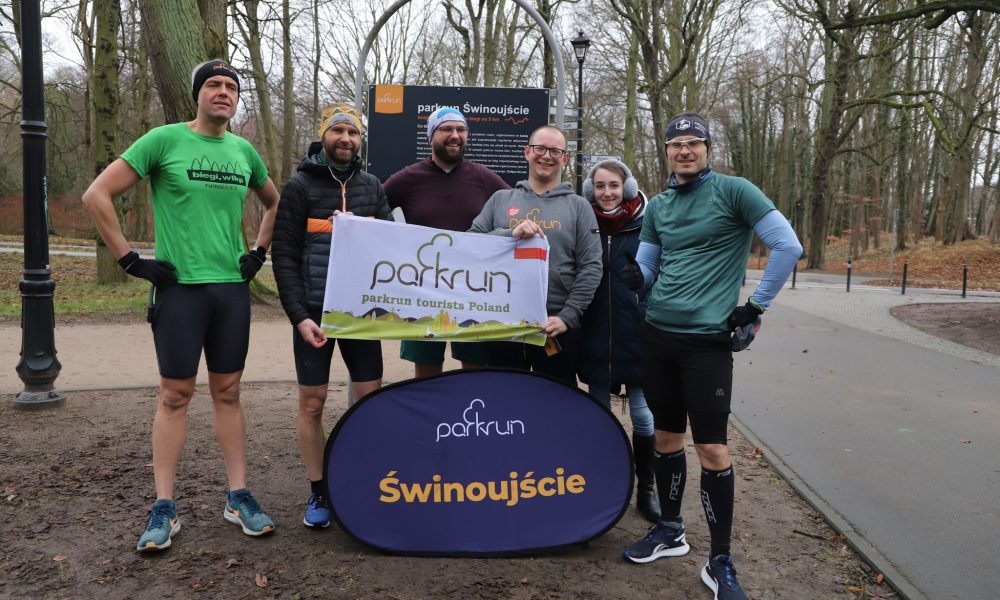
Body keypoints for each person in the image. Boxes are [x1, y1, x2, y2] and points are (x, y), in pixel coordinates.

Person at [82, 59, 280, 551]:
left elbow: (275, 202)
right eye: (213, 84)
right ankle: (164, 507)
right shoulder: (163, 140)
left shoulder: (244, 150)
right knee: (175, 395)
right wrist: (130, 260)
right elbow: (96, 195)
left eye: (231, 86)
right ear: (198, 94)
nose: (223, 91)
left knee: (229, 391)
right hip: (179, 290)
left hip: (230, 291)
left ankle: (238, 496)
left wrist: (259, 252)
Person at [620, 112, 802, 600]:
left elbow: (788, 246)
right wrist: (639, 277)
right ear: (666, 151)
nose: (684, 151)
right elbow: (649, 266)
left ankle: (720, 559)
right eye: (675, 143)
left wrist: (755, 306)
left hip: (706, 341)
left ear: (707, 149)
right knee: (664, 437)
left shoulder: (735, 191)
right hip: (657, 335)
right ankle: (670, 530)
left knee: (713, 449)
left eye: (693, 143)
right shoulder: (659, 205)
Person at [271, 104, 392, 528]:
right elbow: (284, 257)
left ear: (360, 139)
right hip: (314, 313)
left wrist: (362, 229)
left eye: (353, 132)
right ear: (323, 135)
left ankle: (366, 481)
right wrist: (298, 316)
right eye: (338, 130)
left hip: (362, 313)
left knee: (370, 400)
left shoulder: (372, 186)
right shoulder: (299, 186)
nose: (345, 139)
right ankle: (319, 490)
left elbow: (392, 247)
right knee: (313, 401)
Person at [469, 125, 602, 385]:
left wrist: (568, 316)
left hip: (555, 326)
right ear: (527, 152)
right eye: (540, 148)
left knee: (555, 402)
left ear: (565, 158)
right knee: (503, 398)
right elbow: (470, 245)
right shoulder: (500, 200)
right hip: (501, 324)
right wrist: (509, 233)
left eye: (555, 151)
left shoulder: (579, 207)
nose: (546, 156)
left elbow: (591, 266)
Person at [383, 106, 509, 378]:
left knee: (475, 373)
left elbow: (514, 211)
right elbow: (374, 209)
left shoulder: (484, 178)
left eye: (461, 130)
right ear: (431, 136)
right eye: (446, 129)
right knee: (427, 376)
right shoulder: (408, 178)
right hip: (423, 290)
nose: (455, 135)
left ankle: (472, 408)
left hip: (474, 291)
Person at [576, 159, 660, 524]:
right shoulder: (584, 223)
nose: (607, 192)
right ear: (590, 190)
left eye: (613, 185)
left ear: (626, 187)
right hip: (595, 333)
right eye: (599, 186)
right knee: (599, 415)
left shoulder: (648, 223)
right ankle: (603, 486)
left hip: (637, 334)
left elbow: (662, 271)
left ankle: (646, 489)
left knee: (643, 416)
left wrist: (645, 299)